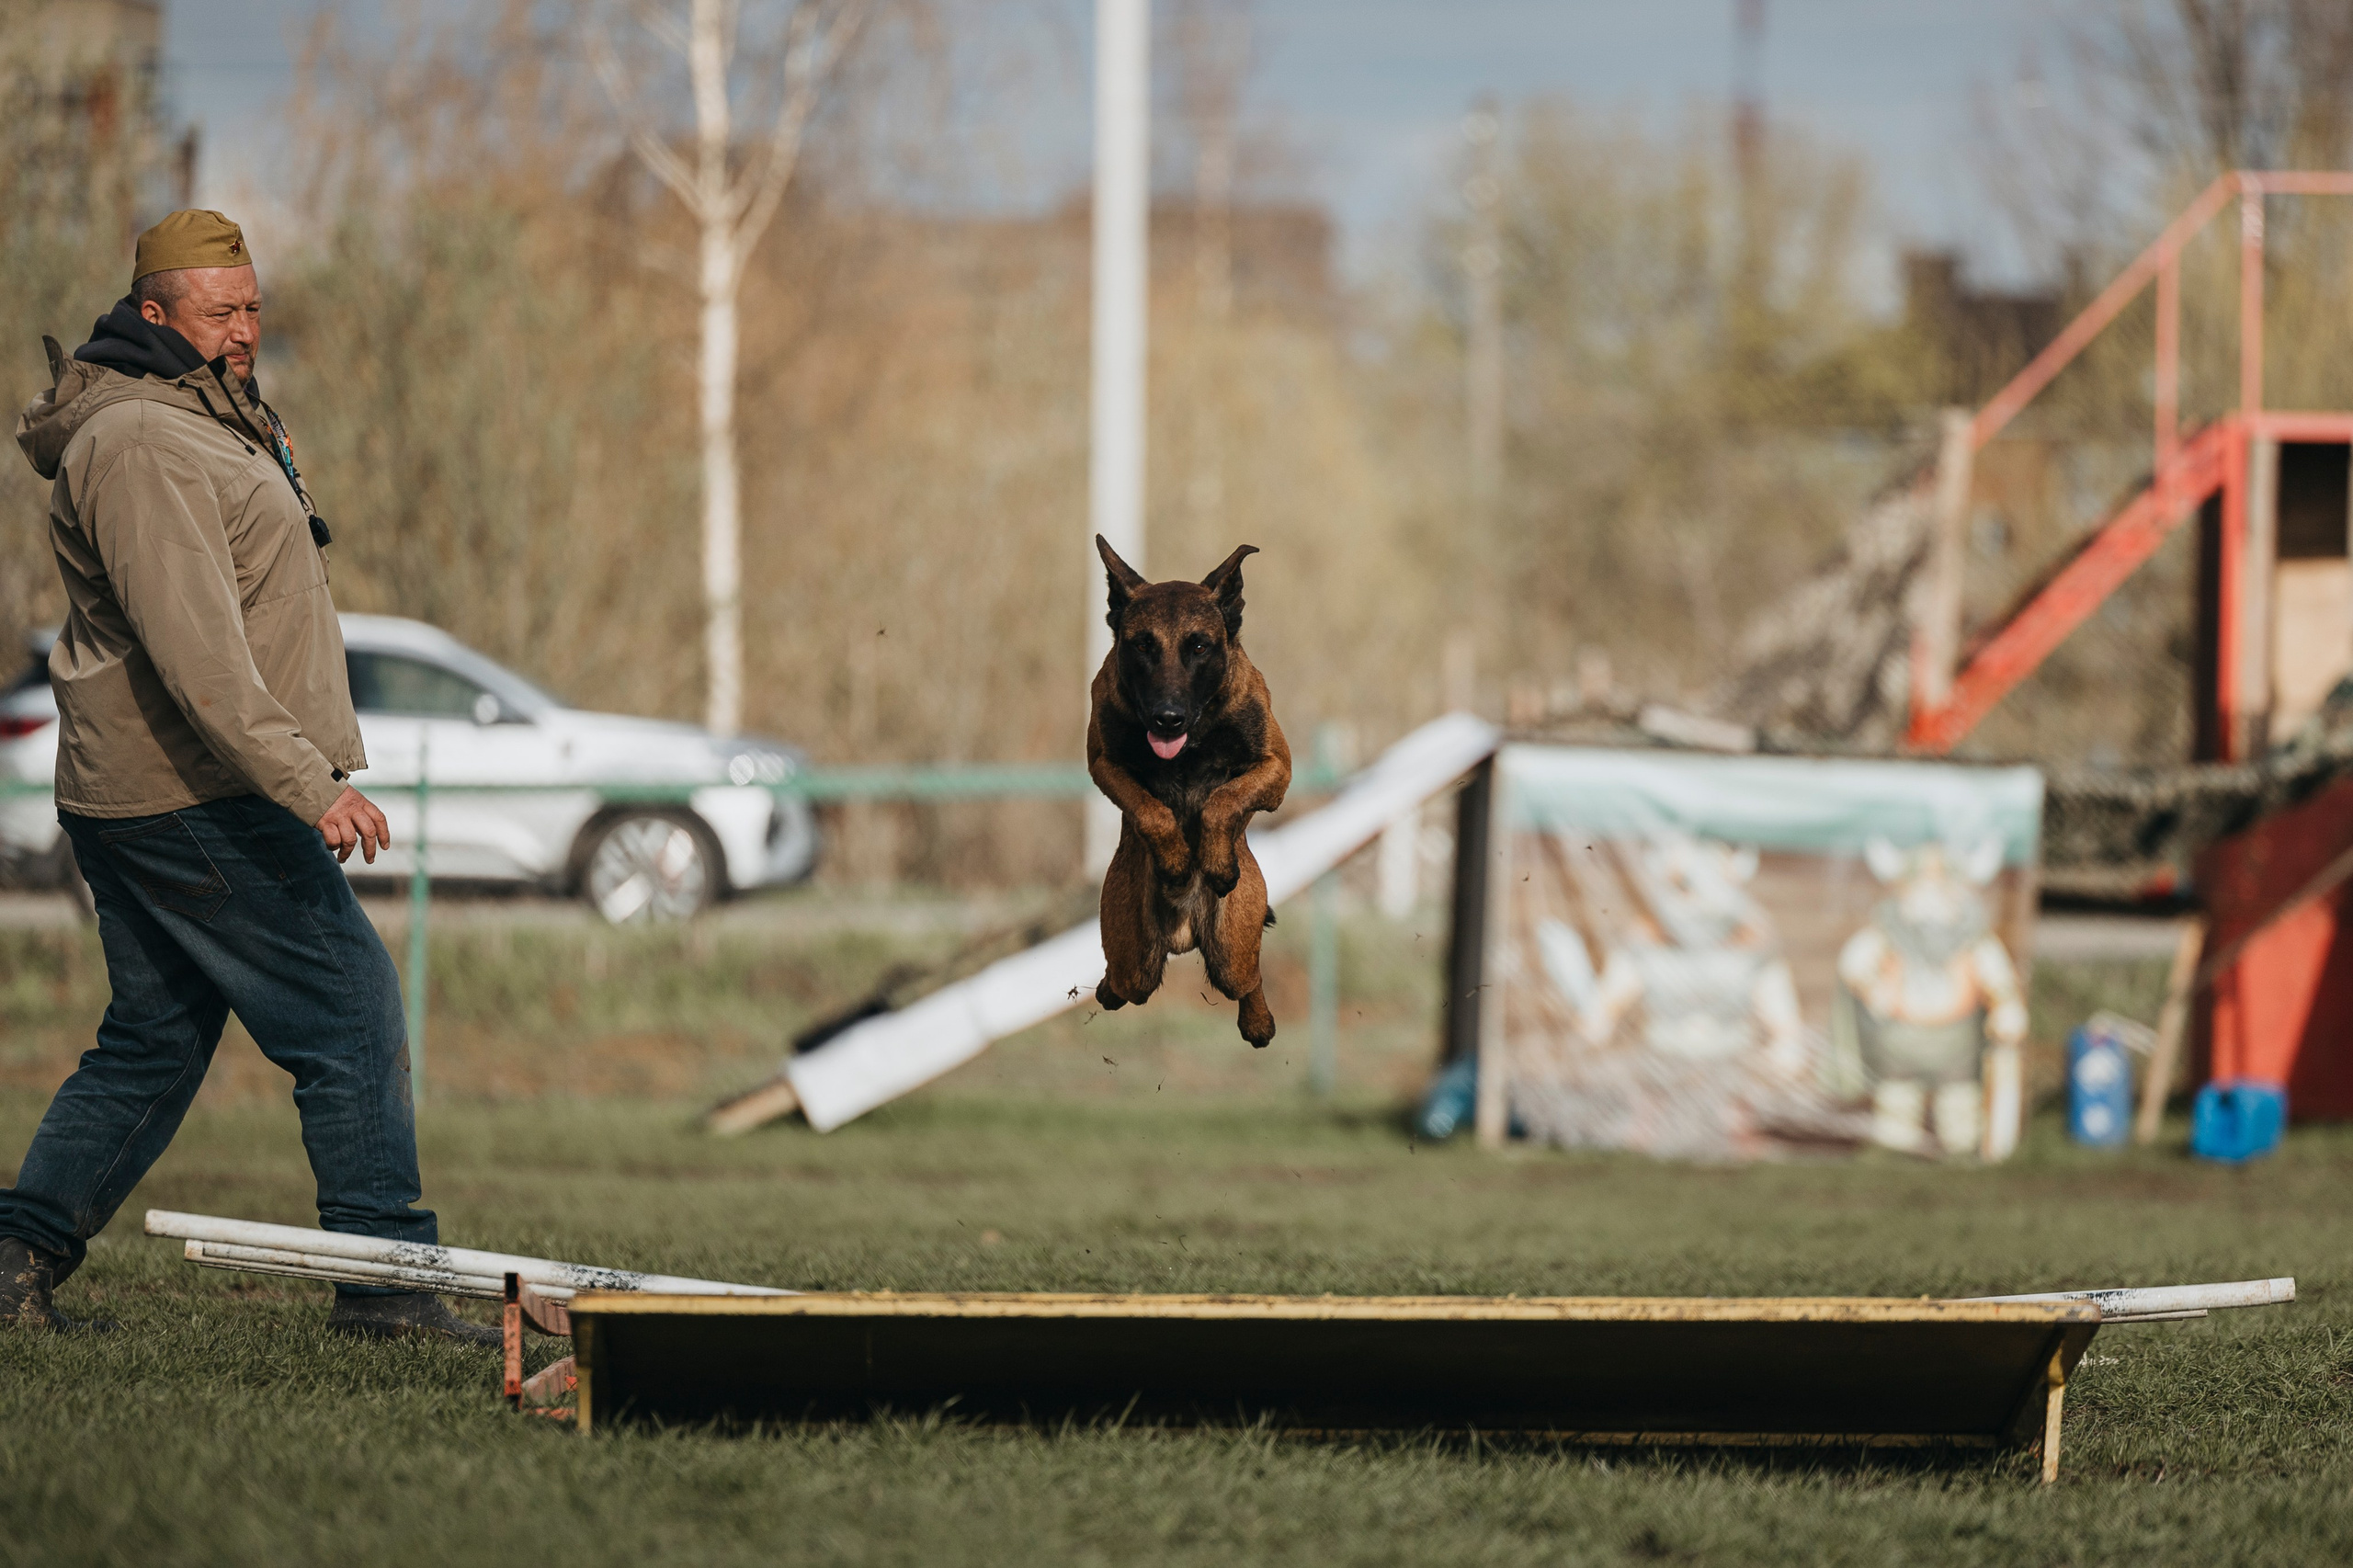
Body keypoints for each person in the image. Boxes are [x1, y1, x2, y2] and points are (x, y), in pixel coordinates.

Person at [0, 210, 494, 1344]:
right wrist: (307, 783)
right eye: (220, 311)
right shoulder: (138, 441)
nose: (245, 329)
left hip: (160, 780)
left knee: (155, 1036)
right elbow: (195, 649)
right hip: (193, 785)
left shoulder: (197, 418)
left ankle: (16, 1257)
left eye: (254, 305)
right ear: (153, 313)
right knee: (350, 1007)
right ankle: (384, 1283)